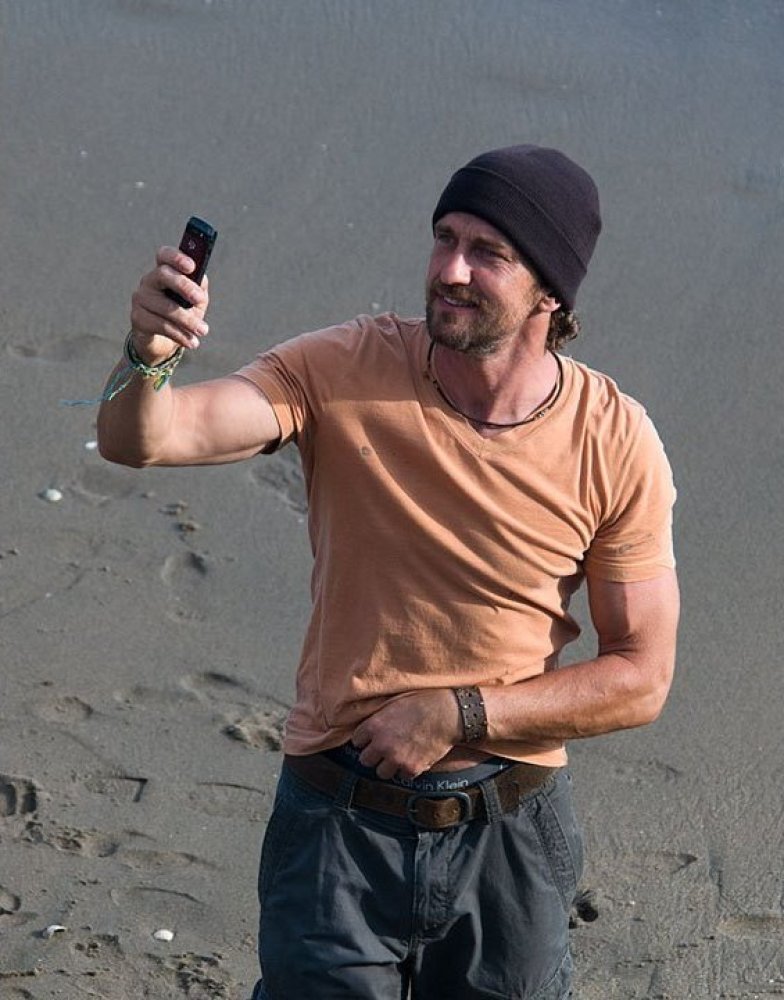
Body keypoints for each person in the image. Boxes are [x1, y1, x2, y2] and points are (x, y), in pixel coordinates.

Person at [97, 144, 679, 1000]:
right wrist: (149, 351)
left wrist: (460, 712)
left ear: (550, 291)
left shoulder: (614, 439)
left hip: (509, 837)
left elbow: (641, 678)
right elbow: (144, 439)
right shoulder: (340, 368)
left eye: (488, 252)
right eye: (445, 238)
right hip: (336, 826)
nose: (450, 269)